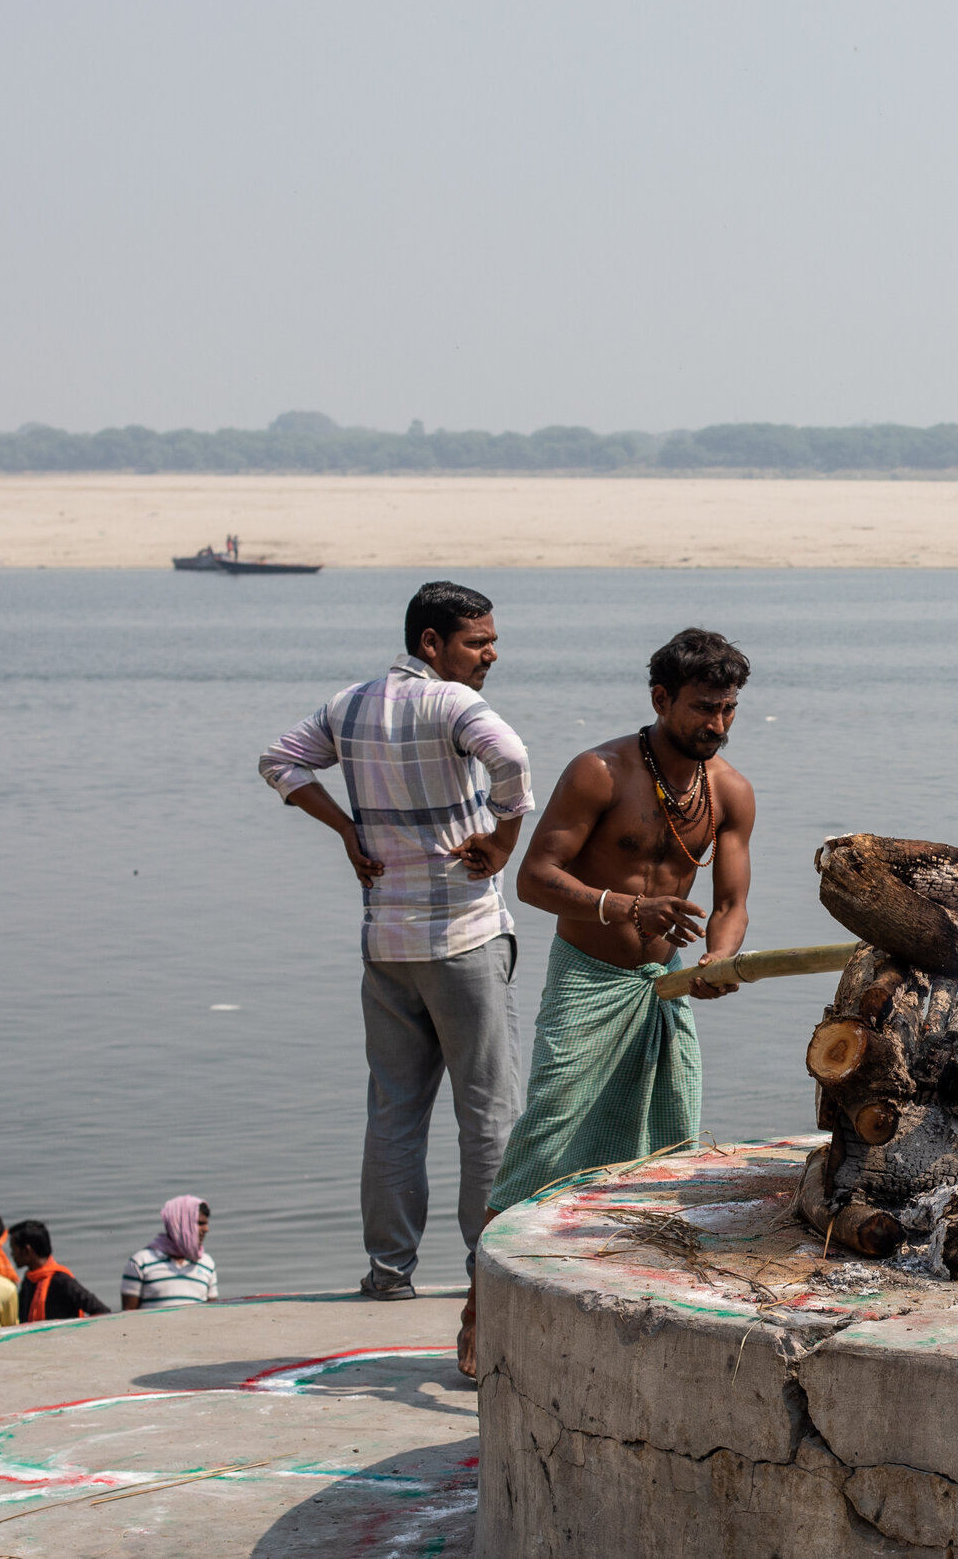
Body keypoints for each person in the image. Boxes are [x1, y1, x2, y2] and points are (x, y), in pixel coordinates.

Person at [467, 629, 756, 1379]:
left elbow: (730, 902)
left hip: (664, 987)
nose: (716, 725)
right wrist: (622, 906)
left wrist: (718, 960)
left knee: (671, 1140)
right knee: (550, 1132)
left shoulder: (729, 790)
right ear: (660, 699)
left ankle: (637, 1303)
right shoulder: (599, 772)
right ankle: (480, 1302)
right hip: (588, 978)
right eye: (702, 708)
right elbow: (534, 878)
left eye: (728, 709)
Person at [259, 581, 533, 1309]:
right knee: (488, 1114)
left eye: (491, 640)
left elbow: (279, 761)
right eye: (477, 642)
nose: (490, 654)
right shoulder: (452, 704)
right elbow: (512, 757)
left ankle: (388, 1271)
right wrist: (503, 838)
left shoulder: (348, 705)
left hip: (386, 944)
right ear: (431, 644)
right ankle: (490, 1268)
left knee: (394, 1114)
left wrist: (346, 827)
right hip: (464, 938)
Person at [122, 1196, 218, 1309]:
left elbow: (212, 1313)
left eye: (206, 1224)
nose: (206, 1229)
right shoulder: (141, 1262)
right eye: (200, 1223)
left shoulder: (207, 1263)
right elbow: (128, 1316)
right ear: (179, 1224)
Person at [9, 1221, 111, 1321]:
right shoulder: (29, 1279)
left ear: (27, 1250)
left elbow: (102, 1311)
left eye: (13, 1249)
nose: (11, 1254)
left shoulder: (61, 1281)